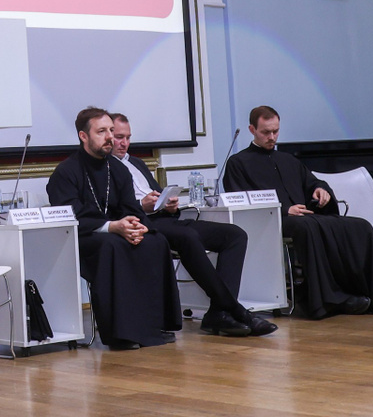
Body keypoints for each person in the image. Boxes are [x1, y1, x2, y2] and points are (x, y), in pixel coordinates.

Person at [108, 114, 276, 338]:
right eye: (119, 137)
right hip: (144, 224)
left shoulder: (136, 163)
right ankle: (235, 310)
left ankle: (218, 312)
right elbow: (112, 209)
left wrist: (169, 205)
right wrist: (142, 206)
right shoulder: (106, 168)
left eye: (128, 137)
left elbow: (157, 195)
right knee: (187, 236)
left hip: (167, 219)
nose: (124, 143)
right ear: (108, 136)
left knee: (235, 235)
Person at [222, 106, 373, 320]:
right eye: (266, 132)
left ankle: (366, 294)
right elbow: (242, 200)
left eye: (276, 131)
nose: (272, 137)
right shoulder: (238, 163)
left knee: (360, 225)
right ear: (252, 130)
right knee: (308, 226)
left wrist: (321, 190)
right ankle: (326, 300)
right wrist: (285, 209)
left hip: (305, 217)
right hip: (271, 221)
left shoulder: (288, 160)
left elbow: (313, 182)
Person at [46, 108, 180, 350]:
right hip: (83, 238)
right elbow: (71, 216)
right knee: (112, 245)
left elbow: (131, 207)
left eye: (110, 130)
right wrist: (112, 227)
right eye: (101, 131)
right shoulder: (65, 172)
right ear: (83, 136)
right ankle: (120, 334)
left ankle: (155, 325)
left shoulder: (117, 169)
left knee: (156, 241)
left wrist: (136, 226)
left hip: (117, 232)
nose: (109, 137)